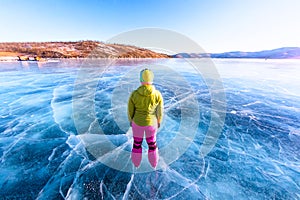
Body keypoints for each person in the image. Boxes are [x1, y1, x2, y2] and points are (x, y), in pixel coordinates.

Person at [128, 68, 164, 168]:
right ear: (151, 79)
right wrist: (159, 121)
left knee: (137, 144)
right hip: (152, 124)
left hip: (137, 123)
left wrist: (131, 120)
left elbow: (130, 110)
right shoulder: (157, 94)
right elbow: (160, 111)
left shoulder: (134, 94)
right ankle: (154, 165)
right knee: (152, 145)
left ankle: (136, 164)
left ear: (141, 80)